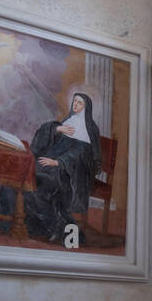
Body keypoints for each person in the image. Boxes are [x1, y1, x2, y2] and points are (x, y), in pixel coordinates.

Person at [22, 92, 101, 244]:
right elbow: (46, 135)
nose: (75, 105)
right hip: (52, 163)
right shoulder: (68, 120)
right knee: (26, 173)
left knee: (40, 182)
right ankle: (36, 225)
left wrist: (58, 162)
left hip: (71, 173)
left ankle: (57, 227)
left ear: (86, 107)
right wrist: (58, 130)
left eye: (79, 103)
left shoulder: (90, 128)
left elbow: (83, 155)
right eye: (74, 101)